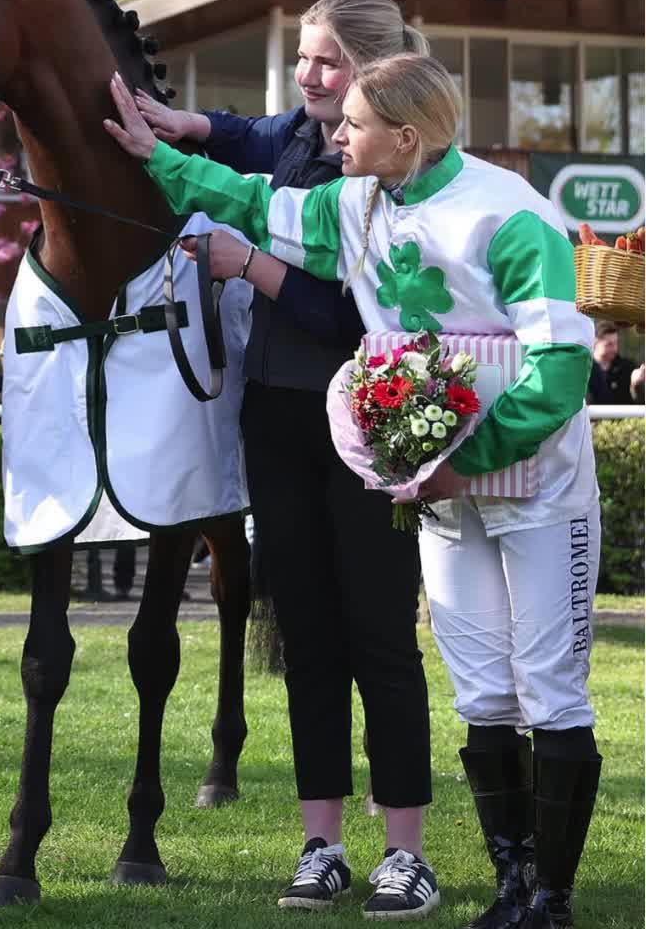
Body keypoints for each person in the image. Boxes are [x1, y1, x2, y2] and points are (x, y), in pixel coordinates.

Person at [108, 52, 604, 929]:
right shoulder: (356, 203)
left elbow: (561, 373)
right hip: (442, 494)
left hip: (538, 491)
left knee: (549, 688)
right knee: (483, 694)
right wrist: (157, 155)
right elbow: (250, 202)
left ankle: (552, 903)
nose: (335, 134)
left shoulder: (514, 215)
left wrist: (462, 462)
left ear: (405, 137)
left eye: (356, 125)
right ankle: (513, 887)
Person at [133, 0, 438, 919]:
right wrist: (182, 123)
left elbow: (348, 314)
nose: (308, 76)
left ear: (375, 76)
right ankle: (321, 847)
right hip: (275, 418)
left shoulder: (391, 173)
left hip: (368, 424)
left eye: (328, 63)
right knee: (304, 636)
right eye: (302, 57)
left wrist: (249, 265)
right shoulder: (295, 136)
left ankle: (406, 854)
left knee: (379, 636)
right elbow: (243, 133)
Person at [586, 321, 641, 404]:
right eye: (609, 344)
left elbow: (638, 401)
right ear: (595, 342)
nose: (614, 348)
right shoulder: (583, 369)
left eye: (616, 343)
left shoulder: (628, 368)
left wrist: (636, 384)